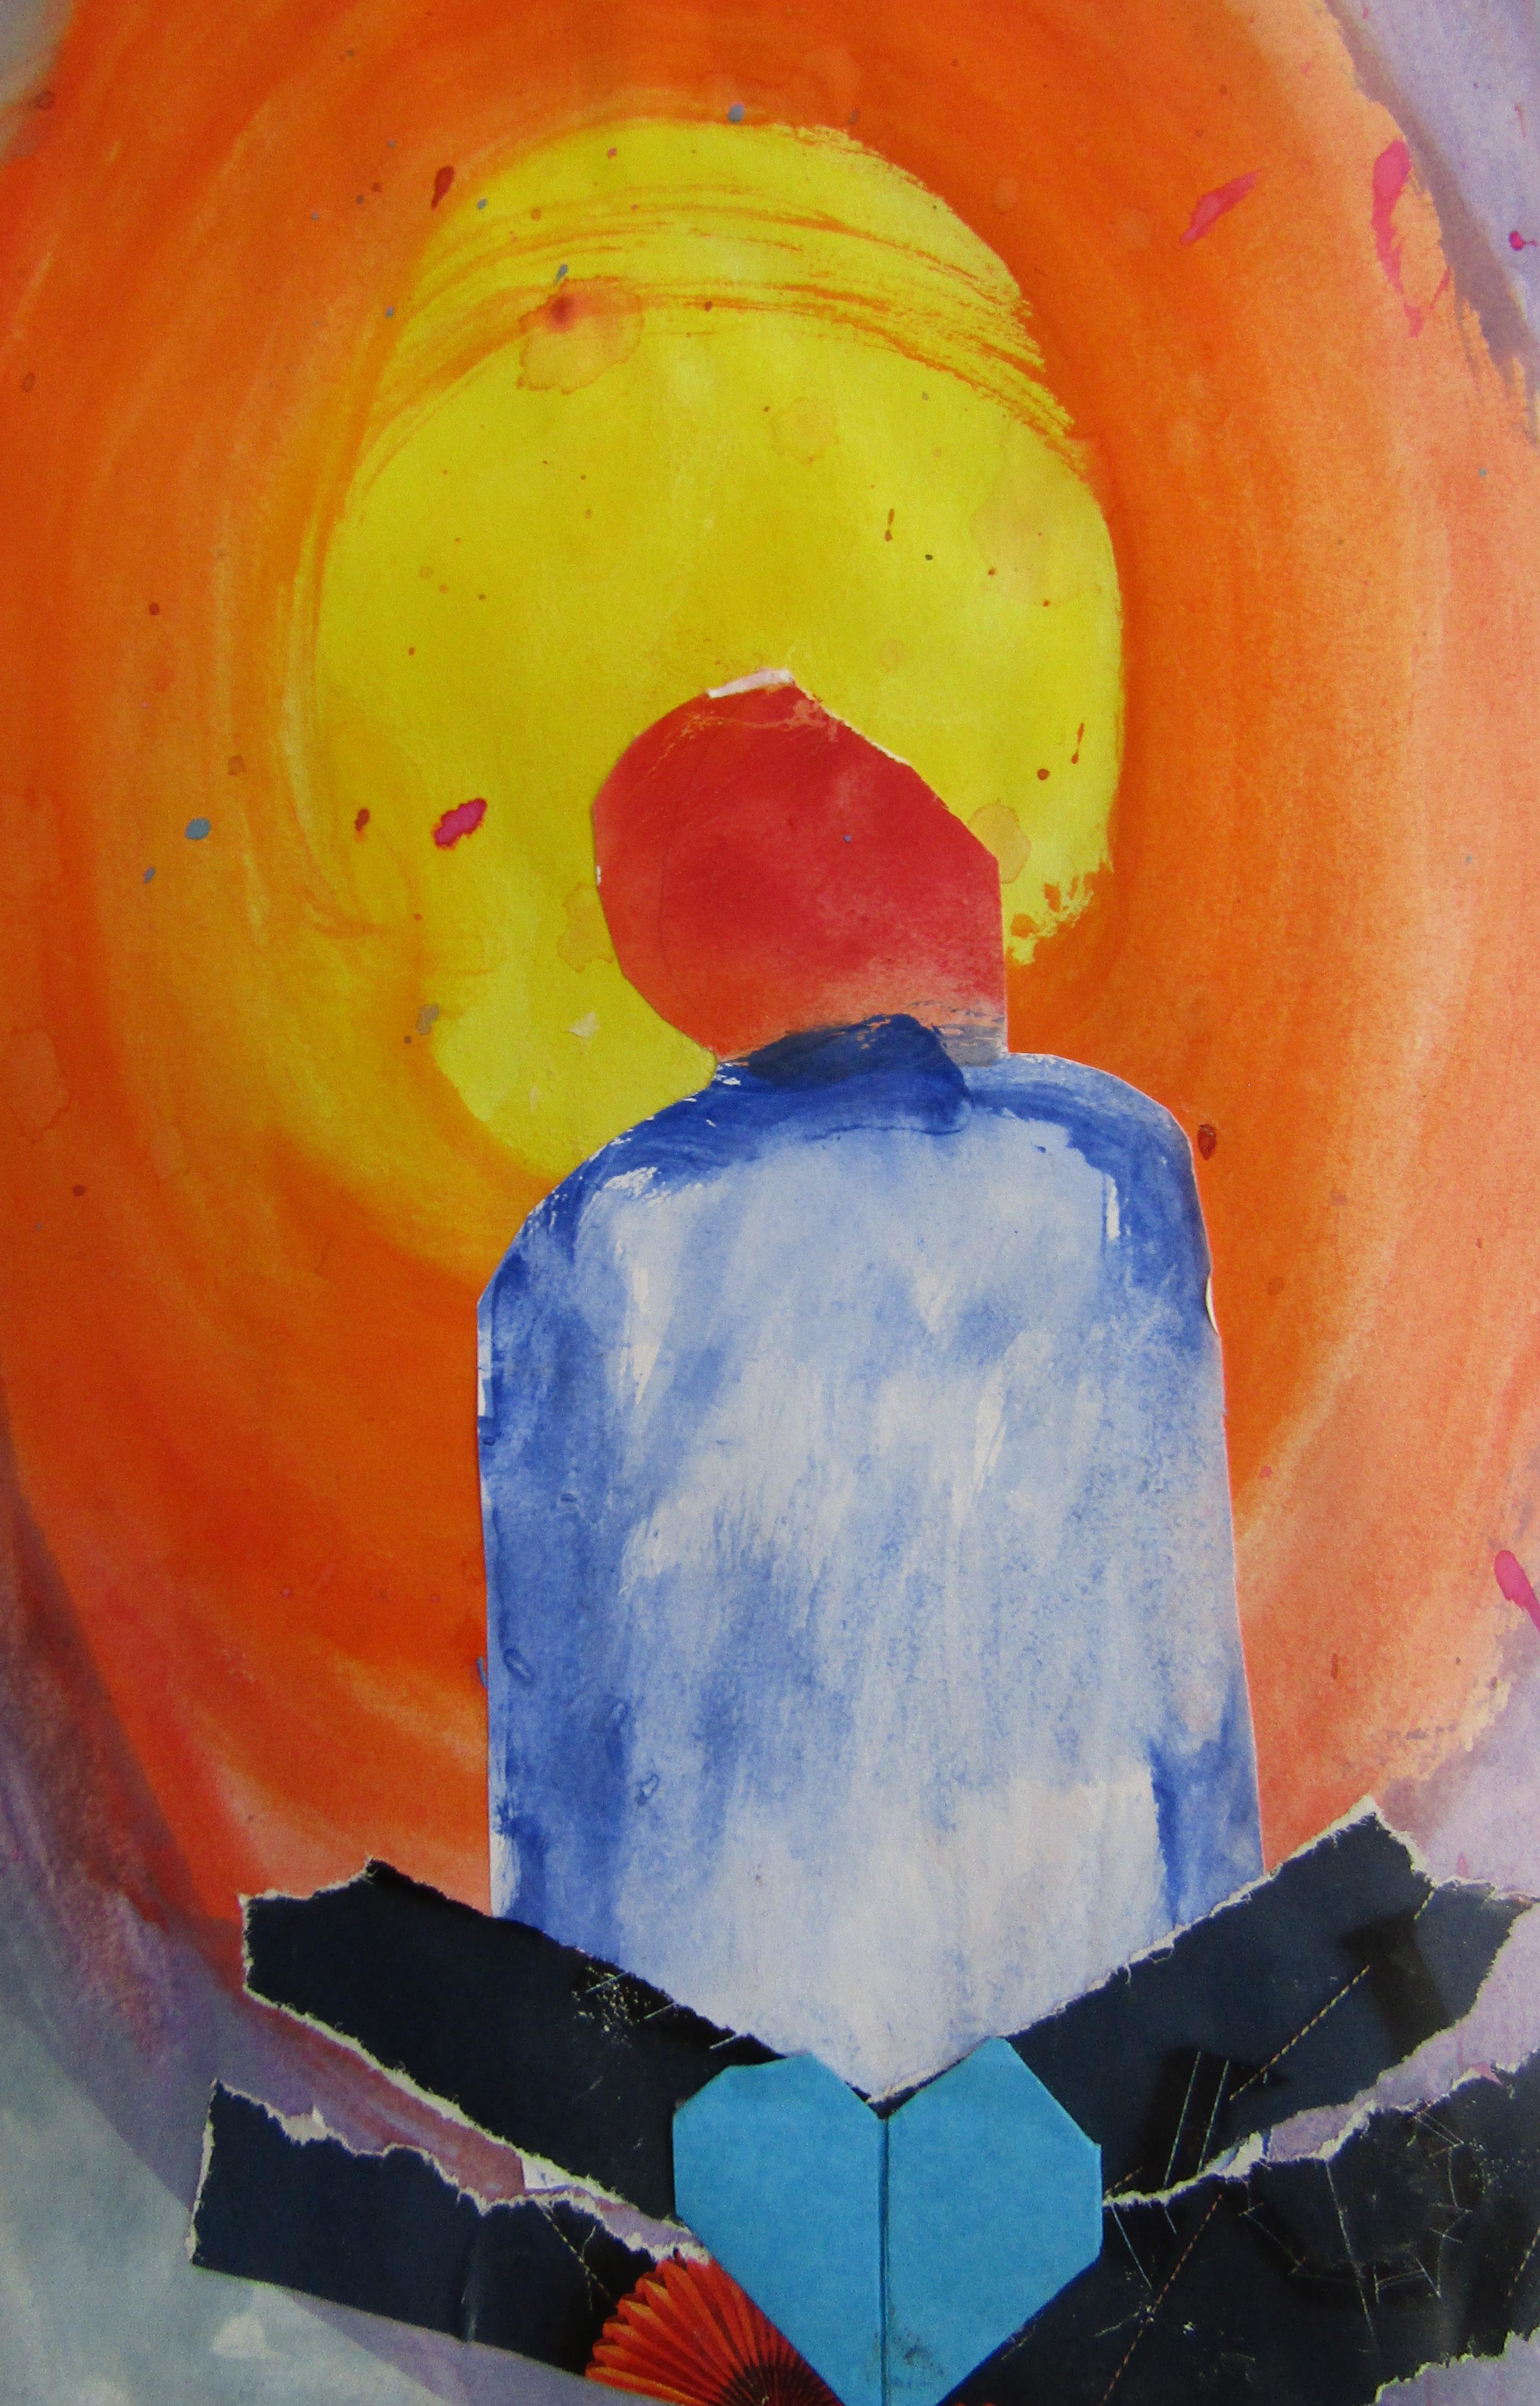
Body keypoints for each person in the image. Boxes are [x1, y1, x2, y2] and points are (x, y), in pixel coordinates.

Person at [479, 677, 1260, 2094]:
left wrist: (580, 2115)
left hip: (733, 2090)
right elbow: (1192, 1697)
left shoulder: (589, 1249)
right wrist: (1219, 2046)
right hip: (1087, 2051)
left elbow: (557, 1794)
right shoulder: (1108, 1169)